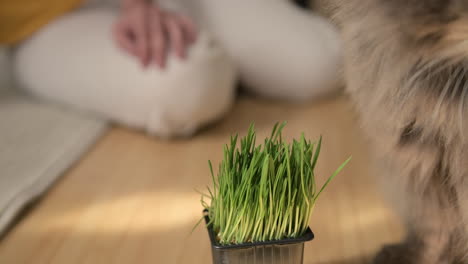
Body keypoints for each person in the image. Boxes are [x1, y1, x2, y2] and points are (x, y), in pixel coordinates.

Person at [1, 0, 342, 138]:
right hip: (45, 20)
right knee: (191, 82)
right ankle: (225, 60)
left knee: (323, 64)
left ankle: (230, 57)